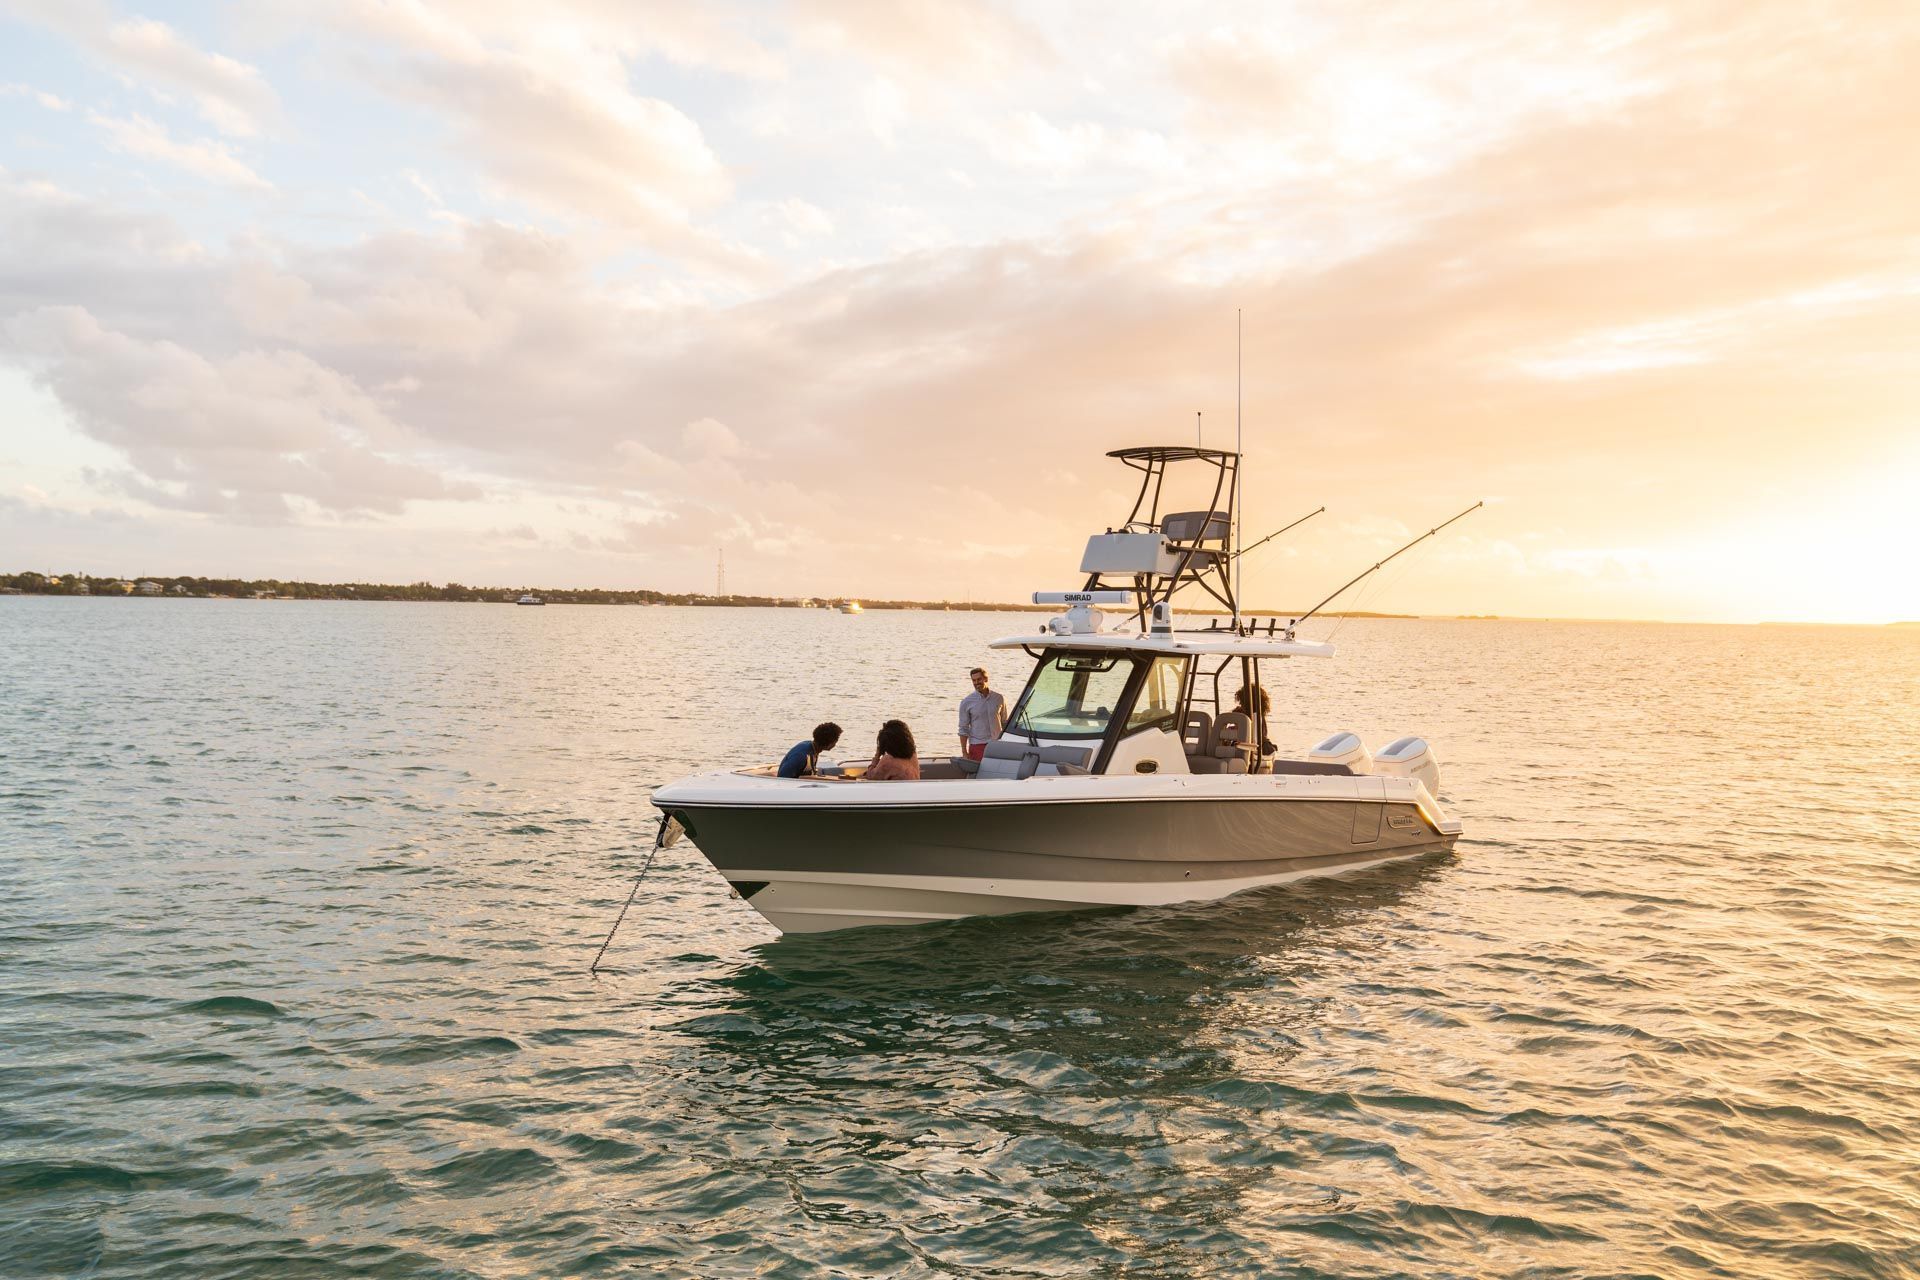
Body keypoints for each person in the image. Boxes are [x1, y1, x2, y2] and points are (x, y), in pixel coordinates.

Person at [957, 666, 1007, 761]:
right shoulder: (966, 702)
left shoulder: (999, 698)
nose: (976, 683)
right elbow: (963, 729)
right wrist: (964, 752)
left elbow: (1004, 722)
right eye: (974, 680)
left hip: (997, 744)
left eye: (979, 679)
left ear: (986, 679)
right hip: (978, 746)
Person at [778, 722, 842, 778]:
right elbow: (782, 778)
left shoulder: (813, 748)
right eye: (836, 740)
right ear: (829, 743)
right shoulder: (800, 756)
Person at [1232, 685, 1278, 757]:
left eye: (1241, 701)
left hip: (1256, 747)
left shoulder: (1254, 716)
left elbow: (1251, 736)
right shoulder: (1254, 714)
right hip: (1251, 745)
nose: (1240, 704)